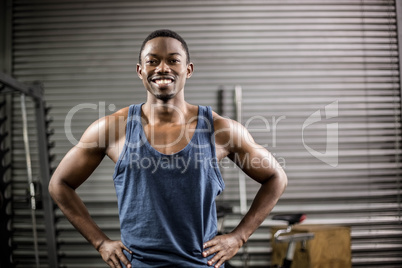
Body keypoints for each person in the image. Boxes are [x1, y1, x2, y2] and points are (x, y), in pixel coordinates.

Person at [49, 29, 287, 268]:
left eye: (173, 60)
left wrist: (239, 236)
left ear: (188, 70)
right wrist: (101, 243)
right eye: (152, 61)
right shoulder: (113, 129)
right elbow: (59, 184)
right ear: (140, 71)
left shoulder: (220, 129)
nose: (163, 68)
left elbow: (276, 177)